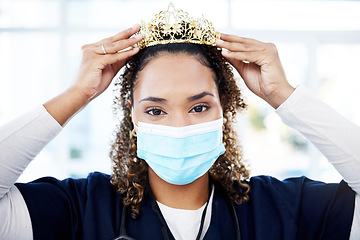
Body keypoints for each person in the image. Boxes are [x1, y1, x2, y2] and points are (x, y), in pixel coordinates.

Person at [1, 5, 360, 240]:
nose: (179, 127)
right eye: (156, 110)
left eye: (199, 108)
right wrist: (76, 93)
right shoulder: (80, 208)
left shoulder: (285, 208)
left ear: (225, 109)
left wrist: (282, 94)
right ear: (132, 115)